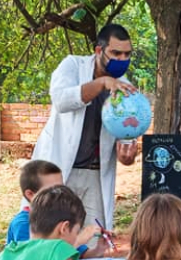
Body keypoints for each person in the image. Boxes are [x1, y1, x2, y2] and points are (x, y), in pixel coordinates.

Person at [31, 24, 139, 232]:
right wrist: (101, 83)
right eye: (116, 53)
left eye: (127, 54)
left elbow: (125, 136)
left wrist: (127, 156)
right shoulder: (72, 65)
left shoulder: (124, 86)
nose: (122, 59)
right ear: (99, 50)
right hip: (61, 169)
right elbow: (61, 100)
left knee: (94, 238)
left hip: (95, 175)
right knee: (55, 235)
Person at [7, 159, 113, 257]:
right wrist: (79, 240)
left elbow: (79, 253)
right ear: (30, 194)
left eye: (62, 187)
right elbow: (35, 259)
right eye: (53, 191)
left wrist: (98, 250)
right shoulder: (23, 224)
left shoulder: (59, 216)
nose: (61, 194)